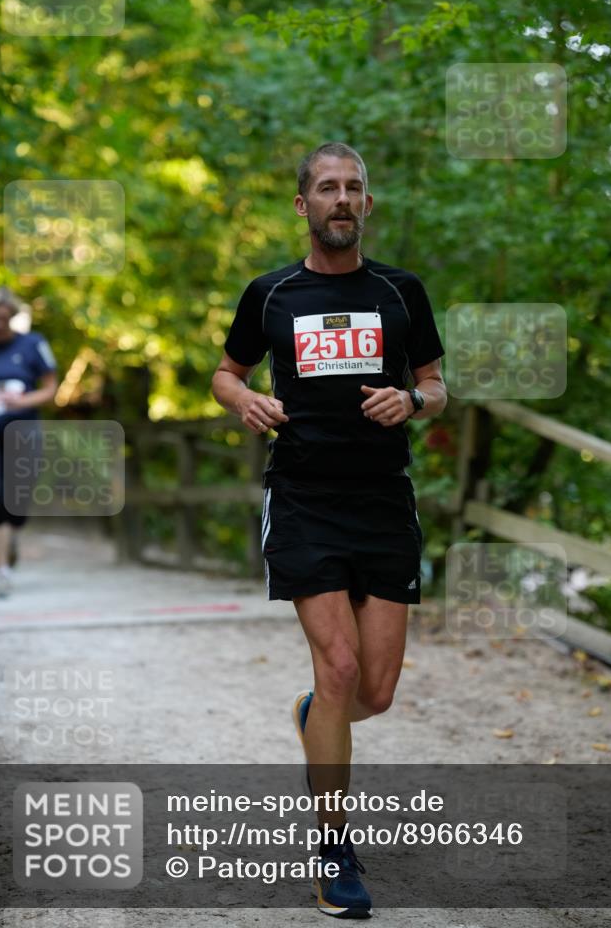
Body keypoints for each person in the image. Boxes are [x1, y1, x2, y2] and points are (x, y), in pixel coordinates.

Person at [211, 143, 446, 918]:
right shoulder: (270, 294)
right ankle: (334, 851)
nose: (340, 199)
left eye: (352, 189)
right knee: (338, 670)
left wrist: (410, 404)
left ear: (367, 206)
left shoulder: (400, 292)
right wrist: (240, 402)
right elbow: (226, 371)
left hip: (383, 501)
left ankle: (316, 718)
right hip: (305, 498)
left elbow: (435, 386)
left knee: (370, 693)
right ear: (302, 205)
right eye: (325, 188)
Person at [0, 288, 58, 597]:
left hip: (23, 428)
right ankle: (2, 572)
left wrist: (21, 401)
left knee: (18, 498)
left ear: (10, 316)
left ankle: (12, 536)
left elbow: (50, 387)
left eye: (2, 318)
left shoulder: (33, 343)